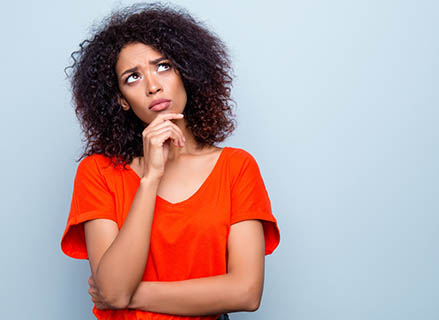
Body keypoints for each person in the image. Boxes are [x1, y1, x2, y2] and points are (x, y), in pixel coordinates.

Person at [60, 2, 280, 320]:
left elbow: (246, 293)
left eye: (163, 66)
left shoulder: (236, 167)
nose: (153, 86)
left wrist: (132, 294)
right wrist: (150, 177)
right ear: (121, 99)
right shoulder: (98, 173)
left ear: (186, 73)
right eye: (133, 77)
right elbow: (113, 289)